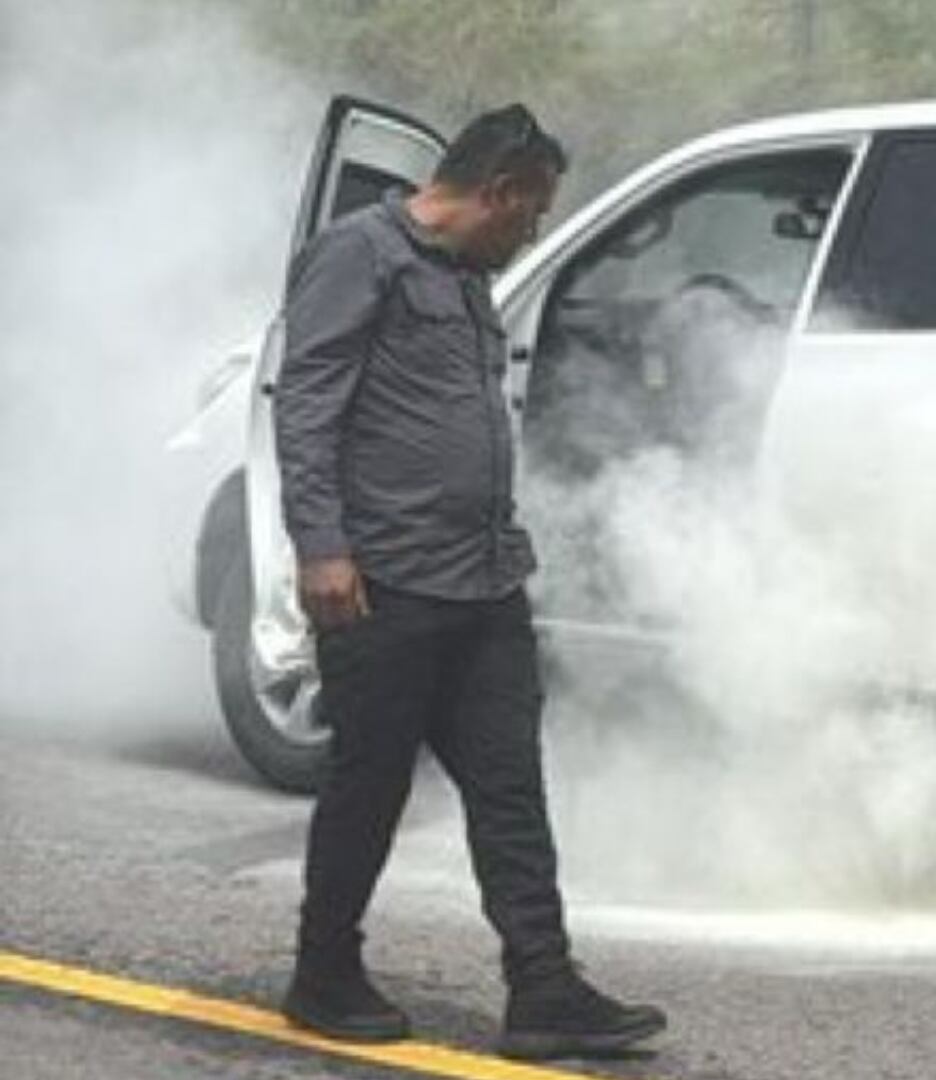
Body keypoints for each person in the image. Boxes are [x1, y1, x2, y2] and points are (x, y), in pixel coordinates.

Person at [274, 103, 667, 1060]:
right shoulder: (358, 254)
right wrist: (321, 547)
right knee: (370, 784)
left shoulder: (465, 278)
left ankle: (543, 989)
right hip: (385, 580)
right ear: (498, 193)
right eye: (533, 214)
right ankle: (323, 970)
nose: (532, 233)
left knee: (509, 790)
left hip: (484, 579)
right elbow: (308, 404)